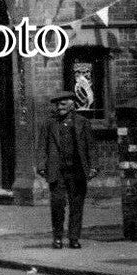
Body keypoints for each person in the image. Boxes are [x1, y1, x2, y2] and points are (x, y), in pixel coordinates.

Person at [38, 91, 97, 249]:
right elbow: (42, 146)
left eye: (63, 104)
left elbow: (90, 146)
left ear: (72, 105)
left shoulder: (83, 122)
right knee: (57, 205)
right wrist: (42, 165)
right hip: (57, 171)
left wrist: (93, 166)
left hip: (77, 170)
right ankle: (57, 237)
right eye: (57, 105)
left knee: (76, 205)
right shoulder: (49, 124)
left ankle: (74, 238)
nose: (59, 107)